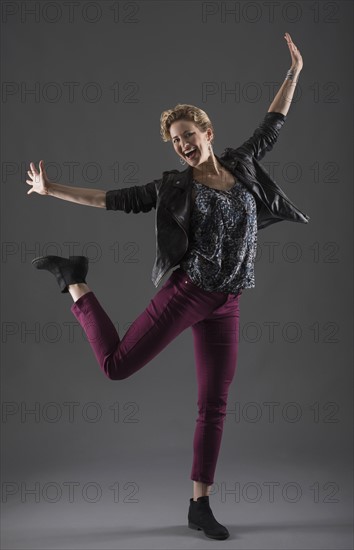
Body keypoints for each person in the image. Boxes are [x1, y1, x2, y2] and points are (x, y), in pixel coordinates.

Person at [26, 33, 307, 541]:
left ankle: (200, 505)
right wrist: (52, 189)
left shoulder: (242, 166)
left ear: (206, 130)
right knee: (116, 367)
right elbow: (112, 198)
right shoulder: (174, 186)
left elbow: (273, 123)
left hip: (228, 303)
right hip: (189, 293)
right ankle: (74, 279)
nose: (182, 144)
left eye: (187, 133)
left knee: (214, 403)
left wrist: (294, 72)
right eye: (175, 140)